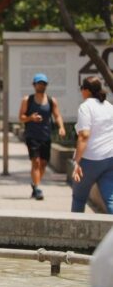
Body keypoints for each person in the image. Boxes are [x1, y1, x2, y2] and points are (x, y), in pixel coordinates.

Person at [18, 73, 65, 200]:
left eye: (44, 83)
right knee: (36, 162)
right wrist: (30, 118)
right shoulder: (27, 100)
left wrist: (61, 127)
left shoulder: (51, 100)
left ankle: (34, 184)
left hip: (46, 136)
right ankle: (38, 188)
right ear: (34, 85)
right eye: (39, 83)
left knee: (44, 163)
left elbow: (57, 115)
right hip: (32, 136)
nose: (41, 86)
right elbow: (21, 117)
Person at [71, 76, 113, 213]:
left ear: (86, 90)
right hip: (110, 159)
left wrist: (77, 162)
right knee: (110, 199)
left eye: (81, 89)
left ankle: (75, 233)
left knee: (79, 198)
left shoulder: (86, 107)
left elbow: (84, 136)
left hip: (90, 160)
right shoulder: (109, 106)